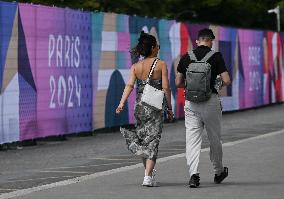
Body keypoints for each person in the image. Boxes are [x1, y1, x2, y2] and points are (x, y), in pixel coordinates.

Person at [116, 31, 174, 187]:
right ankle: (147, 177)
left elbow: (129, 86)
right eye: (158, 47)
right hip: (155, 107)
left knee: (143, 140)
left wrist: (121, 103)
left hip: (140, 107)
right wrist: (169, 107)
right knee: (153, 141)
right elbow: (166, 88)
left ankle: (148, 173)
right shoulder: (161, 64)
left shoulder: (136, 66)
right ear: (153, 48)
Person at [175, 28, 231, 188]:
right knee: (214, 138)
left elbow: (178, 83)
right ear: (211, 41)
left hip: (191, 103)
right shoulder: (216, 56)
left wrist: (192, 86)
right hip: (211, 101)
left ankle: (193, 175)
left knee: (192, 139)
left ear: (198, 40)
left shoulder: (186, 57)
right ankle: (219, 171)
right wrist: (216, 83)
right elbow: (227, 80)